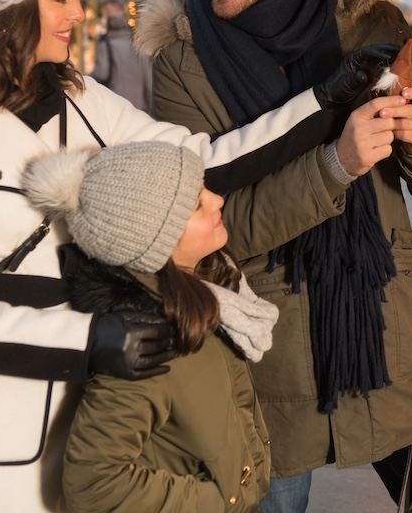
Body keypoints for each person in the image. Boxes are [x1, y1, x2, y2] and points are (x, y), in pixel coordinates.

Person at [0, 0, 394, 513]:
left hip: (92, 427)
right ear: (9, 7)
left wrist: (326, 100)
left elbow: (203, 160)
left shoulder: (79, 96)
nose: (76, 12)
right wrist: (90, 337)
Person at [137, 0, 412, 512]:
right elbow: (210, 228)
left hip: (384, 337)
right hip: (269, 366)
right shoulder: (182, 61)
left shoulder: (371, 23)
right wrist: (336, 165)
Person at [22, 140, 276, 513]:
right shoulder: (148, 340)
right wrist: (221, 500)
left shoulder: (210, 296)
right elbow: (94, 486)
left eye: (205, 188)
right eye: (196, 204)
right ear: (155, 239)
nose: (217, 200)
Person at [90, 0, 152, 110]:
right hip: (138, 107)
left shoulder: (106, 46)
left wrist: (86, 78)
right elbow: (148, 81)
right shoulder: (138, 47)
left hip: (115, 105)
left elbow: (101, 74)